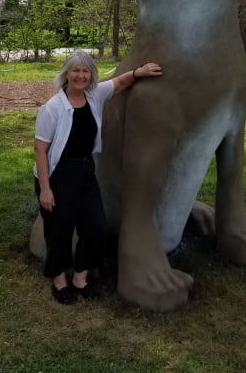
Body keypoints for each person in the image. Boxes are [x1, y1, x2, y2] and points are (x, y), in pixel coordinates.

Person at [34, 49, 162, 305]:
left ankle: (80, 278)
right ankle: (59, 281)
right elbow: (40, 150)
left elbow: (120, 82)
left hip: (85, 170)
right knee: (60, 228)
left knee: (95, 226)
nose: (81, 76)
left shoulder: (94, 96)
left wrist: (139, 72)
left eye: (86, 71)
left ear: (91, 75)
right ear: (66, 74)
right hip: (58, 173)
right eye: (75, 70)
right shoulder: (52, 108)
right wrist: (45, 189)